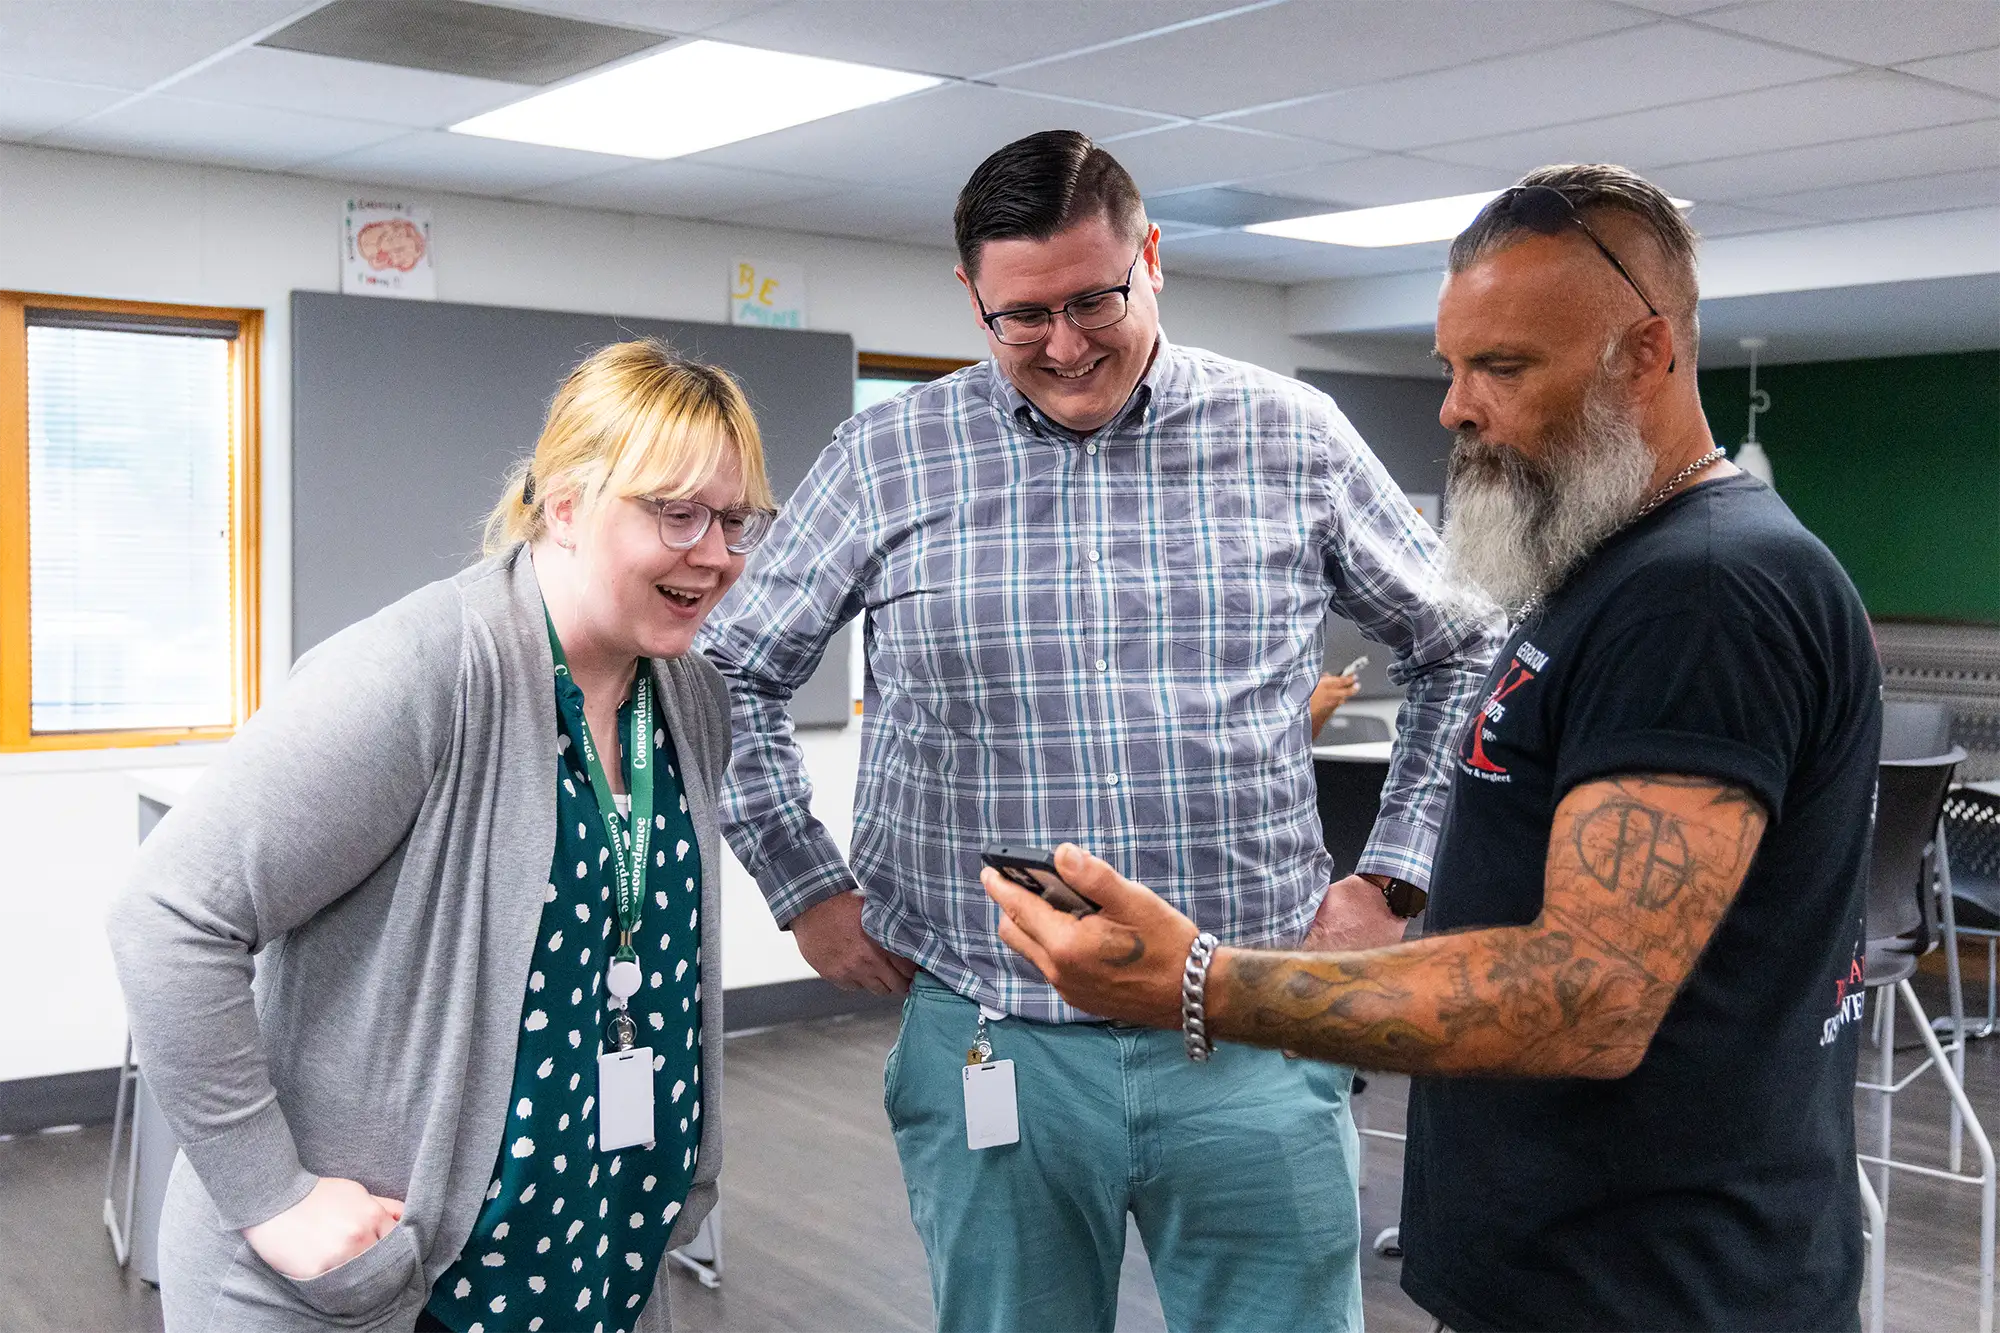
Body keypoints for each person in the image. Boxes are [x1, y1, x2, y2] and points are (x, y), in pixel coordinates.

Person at [983, 163, 1881, 1333]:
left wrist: (1201, 981)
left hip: (1665, 1288)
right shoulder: (1606, 569)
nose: (1455, 407)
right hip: (1574, 1269)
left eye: (1503, 368)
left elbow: (1586, 995)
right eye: (1450, 367)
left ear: (1646, 354)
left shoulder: (1703, 593)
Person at [698, 130, 1503, 1333]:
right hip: (990, 1031)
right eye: (1022, 316)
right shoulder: (888, 454)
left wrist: (1390, 877)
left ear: (1153, 260)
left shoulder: (1289, 434)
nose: (1065, 345)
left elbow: (1463, 644)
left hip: (1247, 1032)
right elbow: (726, 670)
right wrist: (804, 885)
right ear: (969, 296)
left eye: (1095, 299)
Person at [106, 340, 778, 1333]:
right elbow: (164, 917)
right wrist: (273, 1198)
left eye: (733, 519)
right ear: (563, 504)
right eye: (674, 512)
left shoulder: (686, 694)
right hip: (381, 1284)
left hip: (591, 1256)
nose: (714, 552)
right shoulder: (420, 672)